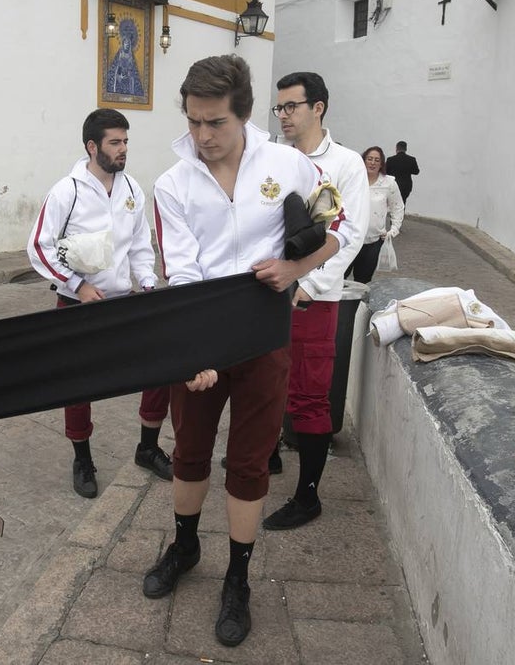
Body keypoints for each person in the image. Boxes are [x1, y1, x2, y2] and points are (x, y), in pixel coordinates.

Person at [145, 55, 354, 647]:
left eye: (216, 124)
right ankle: (185, 547)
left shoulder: (288, 164)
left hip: (264, 340)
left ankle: (237, 577)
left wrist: (295, 268)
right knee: (188, 452)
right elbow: (181, 275)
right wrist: (197, 352)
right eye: (194, 122)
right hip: (201, 340)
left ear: (244, 117)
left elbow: (335, 222)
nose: (203, 137)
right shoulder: (172, 184)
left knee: (249, 460)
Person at [28, 108, 172, 499]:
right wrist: (77, 285)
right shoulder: (66, 192)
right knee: (78, 384)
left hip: (125, 302)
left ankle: (148, 445)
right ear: (93, 146)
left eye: (125, 141)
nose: (123, 149)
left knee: (162, 365)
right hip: (79, 305)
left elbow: (141, 244)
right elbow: (39, 248)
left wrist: (146, 280)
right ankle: (83, 458)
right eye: (115, 142)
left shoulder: (131, 190)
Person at [264, 71, 369, 530]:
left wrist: (305, 283)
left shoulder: (344, 164)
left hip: (312, 298)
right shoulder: (272, 159)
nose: (283, 115)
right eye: (279, 108)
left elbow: (349, 234)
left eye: (291, 106)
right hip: (268, 293)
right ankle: (266, 458)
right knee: (264, 382)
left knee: (309, 395)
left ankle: (308, 496)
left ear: (318, 107)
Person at [345, 146, 405, 284]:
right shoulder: (353, 180)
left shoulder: (389, 183)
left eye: (376, 160)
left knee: (363, 280)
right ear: (364, 161)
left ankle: (357, 305)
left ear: (381, 164)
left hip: (373, 242)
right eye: (369, 159)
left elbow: (398, 207)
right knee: (340, 277)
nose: (372, 163)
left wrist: (393, 230)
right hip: (350, 238)